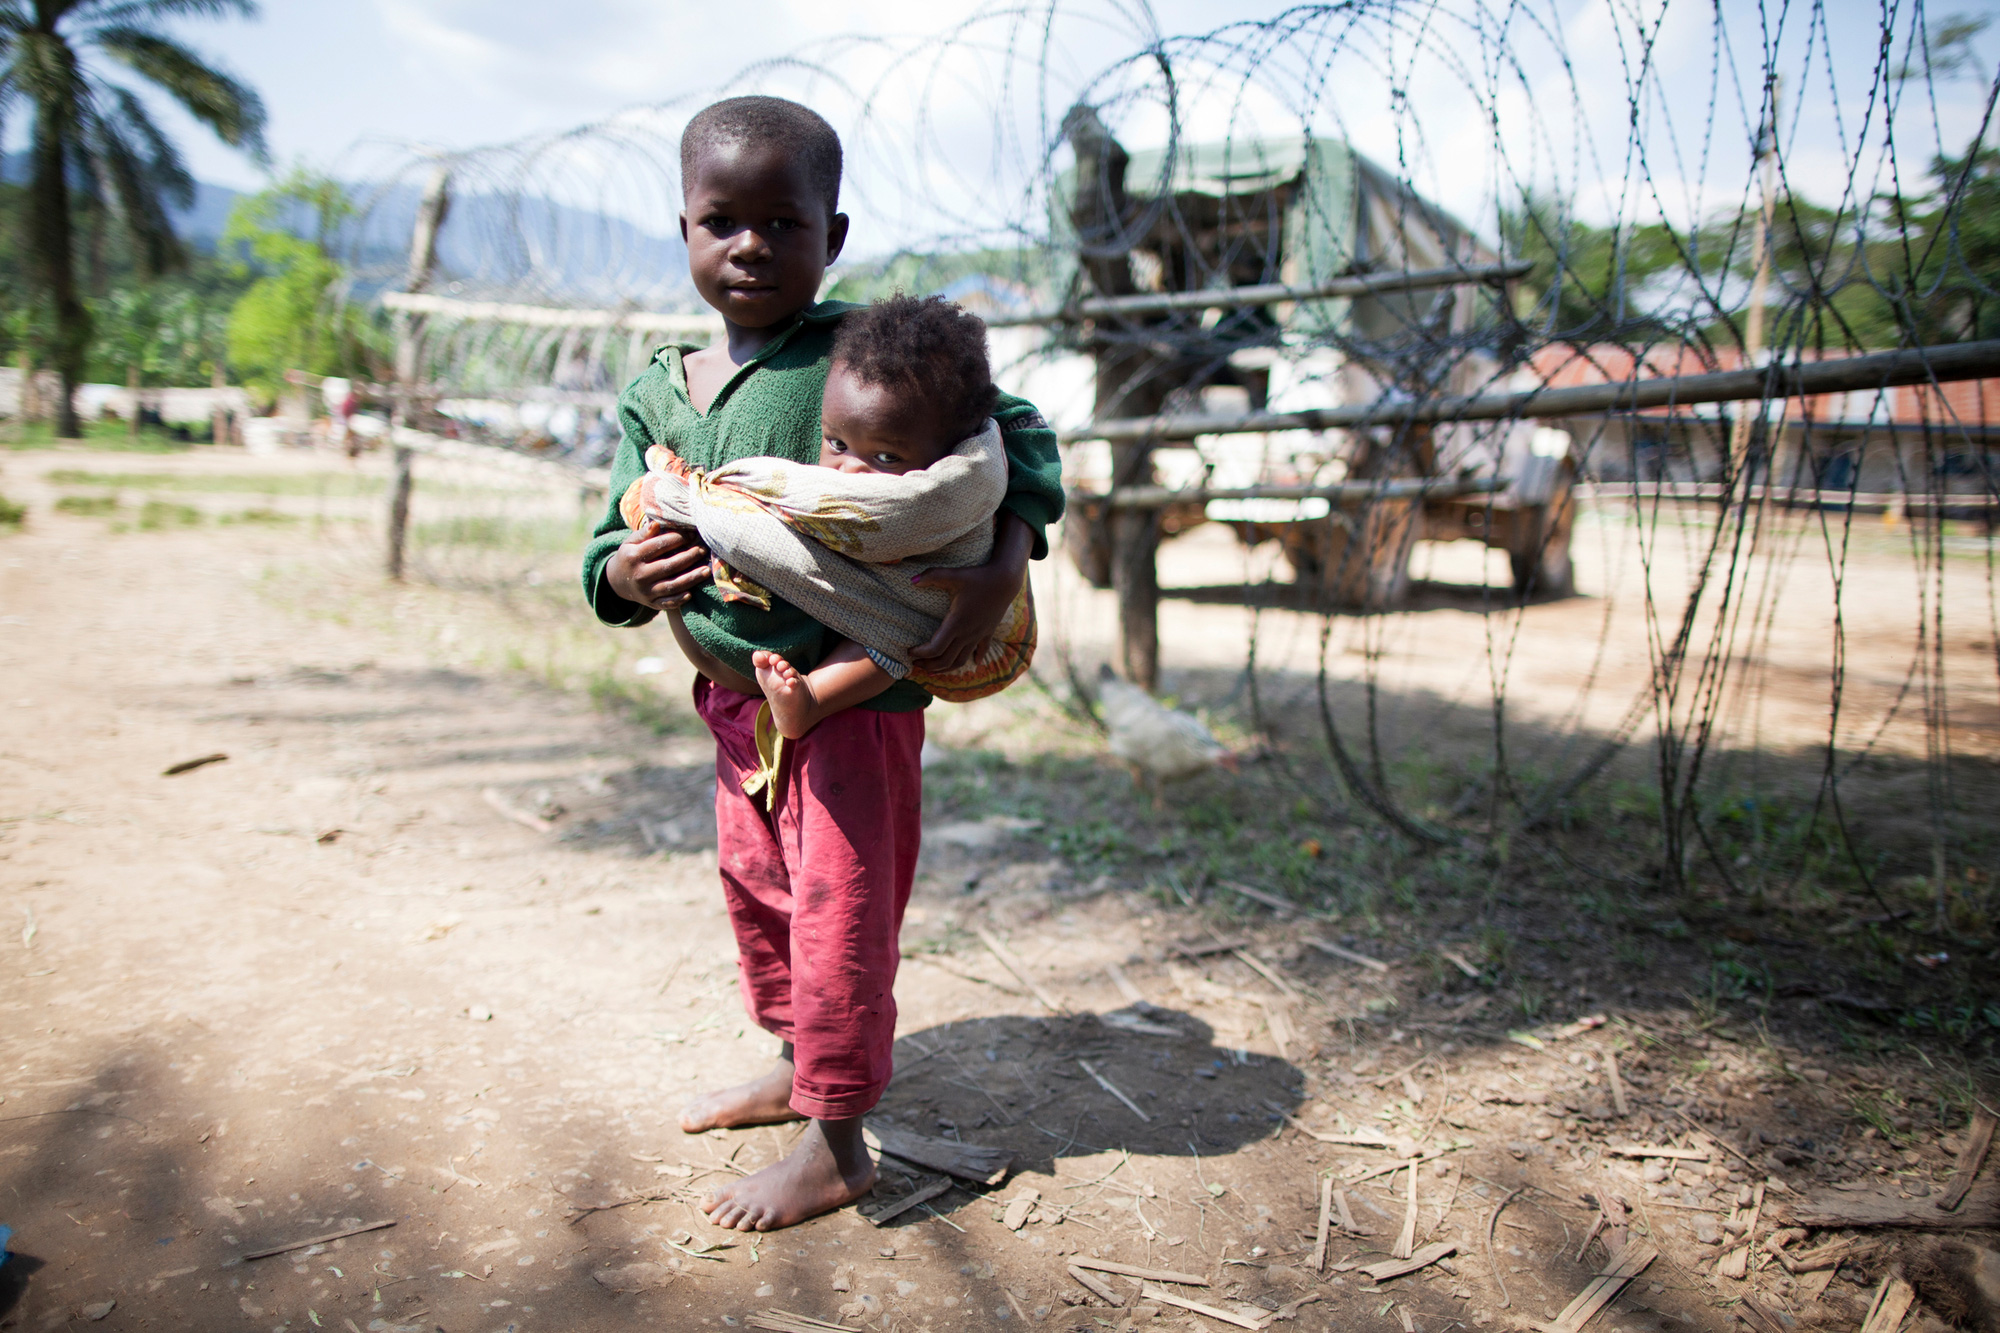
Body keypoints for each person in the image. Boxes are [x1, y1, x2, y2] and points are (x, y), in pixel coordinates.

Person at [578, 95, 1063, 1232]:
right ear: (685, 230)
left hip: (853, 702)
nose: (750, 245)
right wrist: (620, 575)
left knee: (838, 908)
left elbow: (1020, 431)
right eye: (721, 220)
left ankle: (838, 1138)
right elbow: (609, 526)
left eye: (782, 223)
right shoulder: (658, 389)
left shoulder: (861, 353)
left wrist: (1004, 551)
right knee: (760, 894)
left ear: (830, 236)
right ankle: (797, 1067)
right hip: (734, 707)